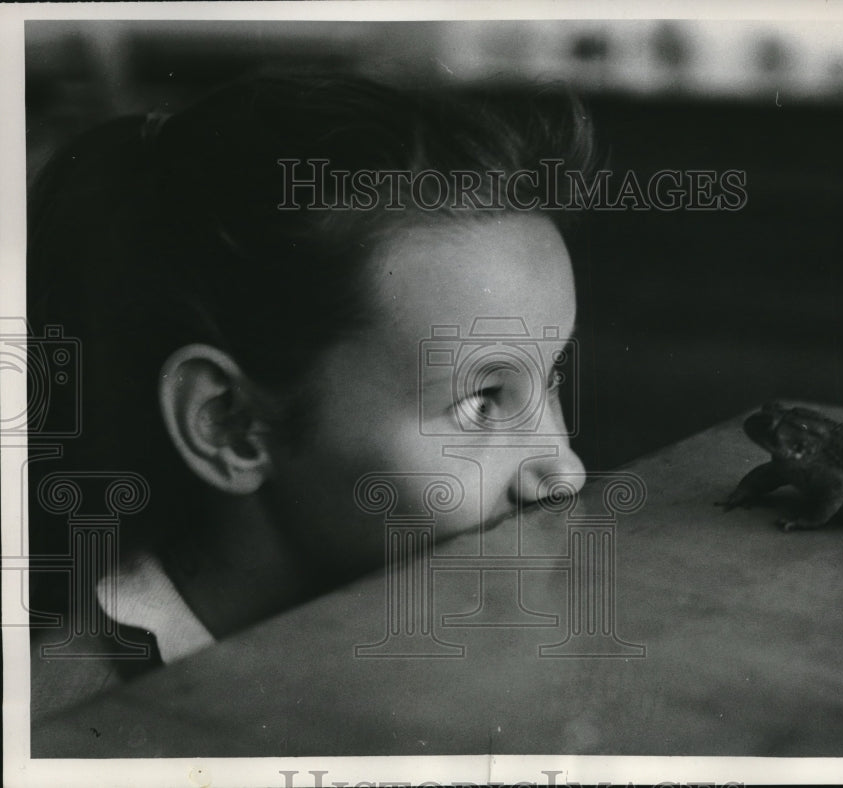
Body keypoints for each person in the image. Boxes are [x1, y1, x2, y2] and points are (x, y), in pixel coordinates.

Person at [27, 70, 594, 716]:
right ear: (230, 424)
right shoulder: (73, 730)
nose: (566, 472)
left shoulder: (417, 612)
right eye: (480, 404)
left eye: (548, 379)